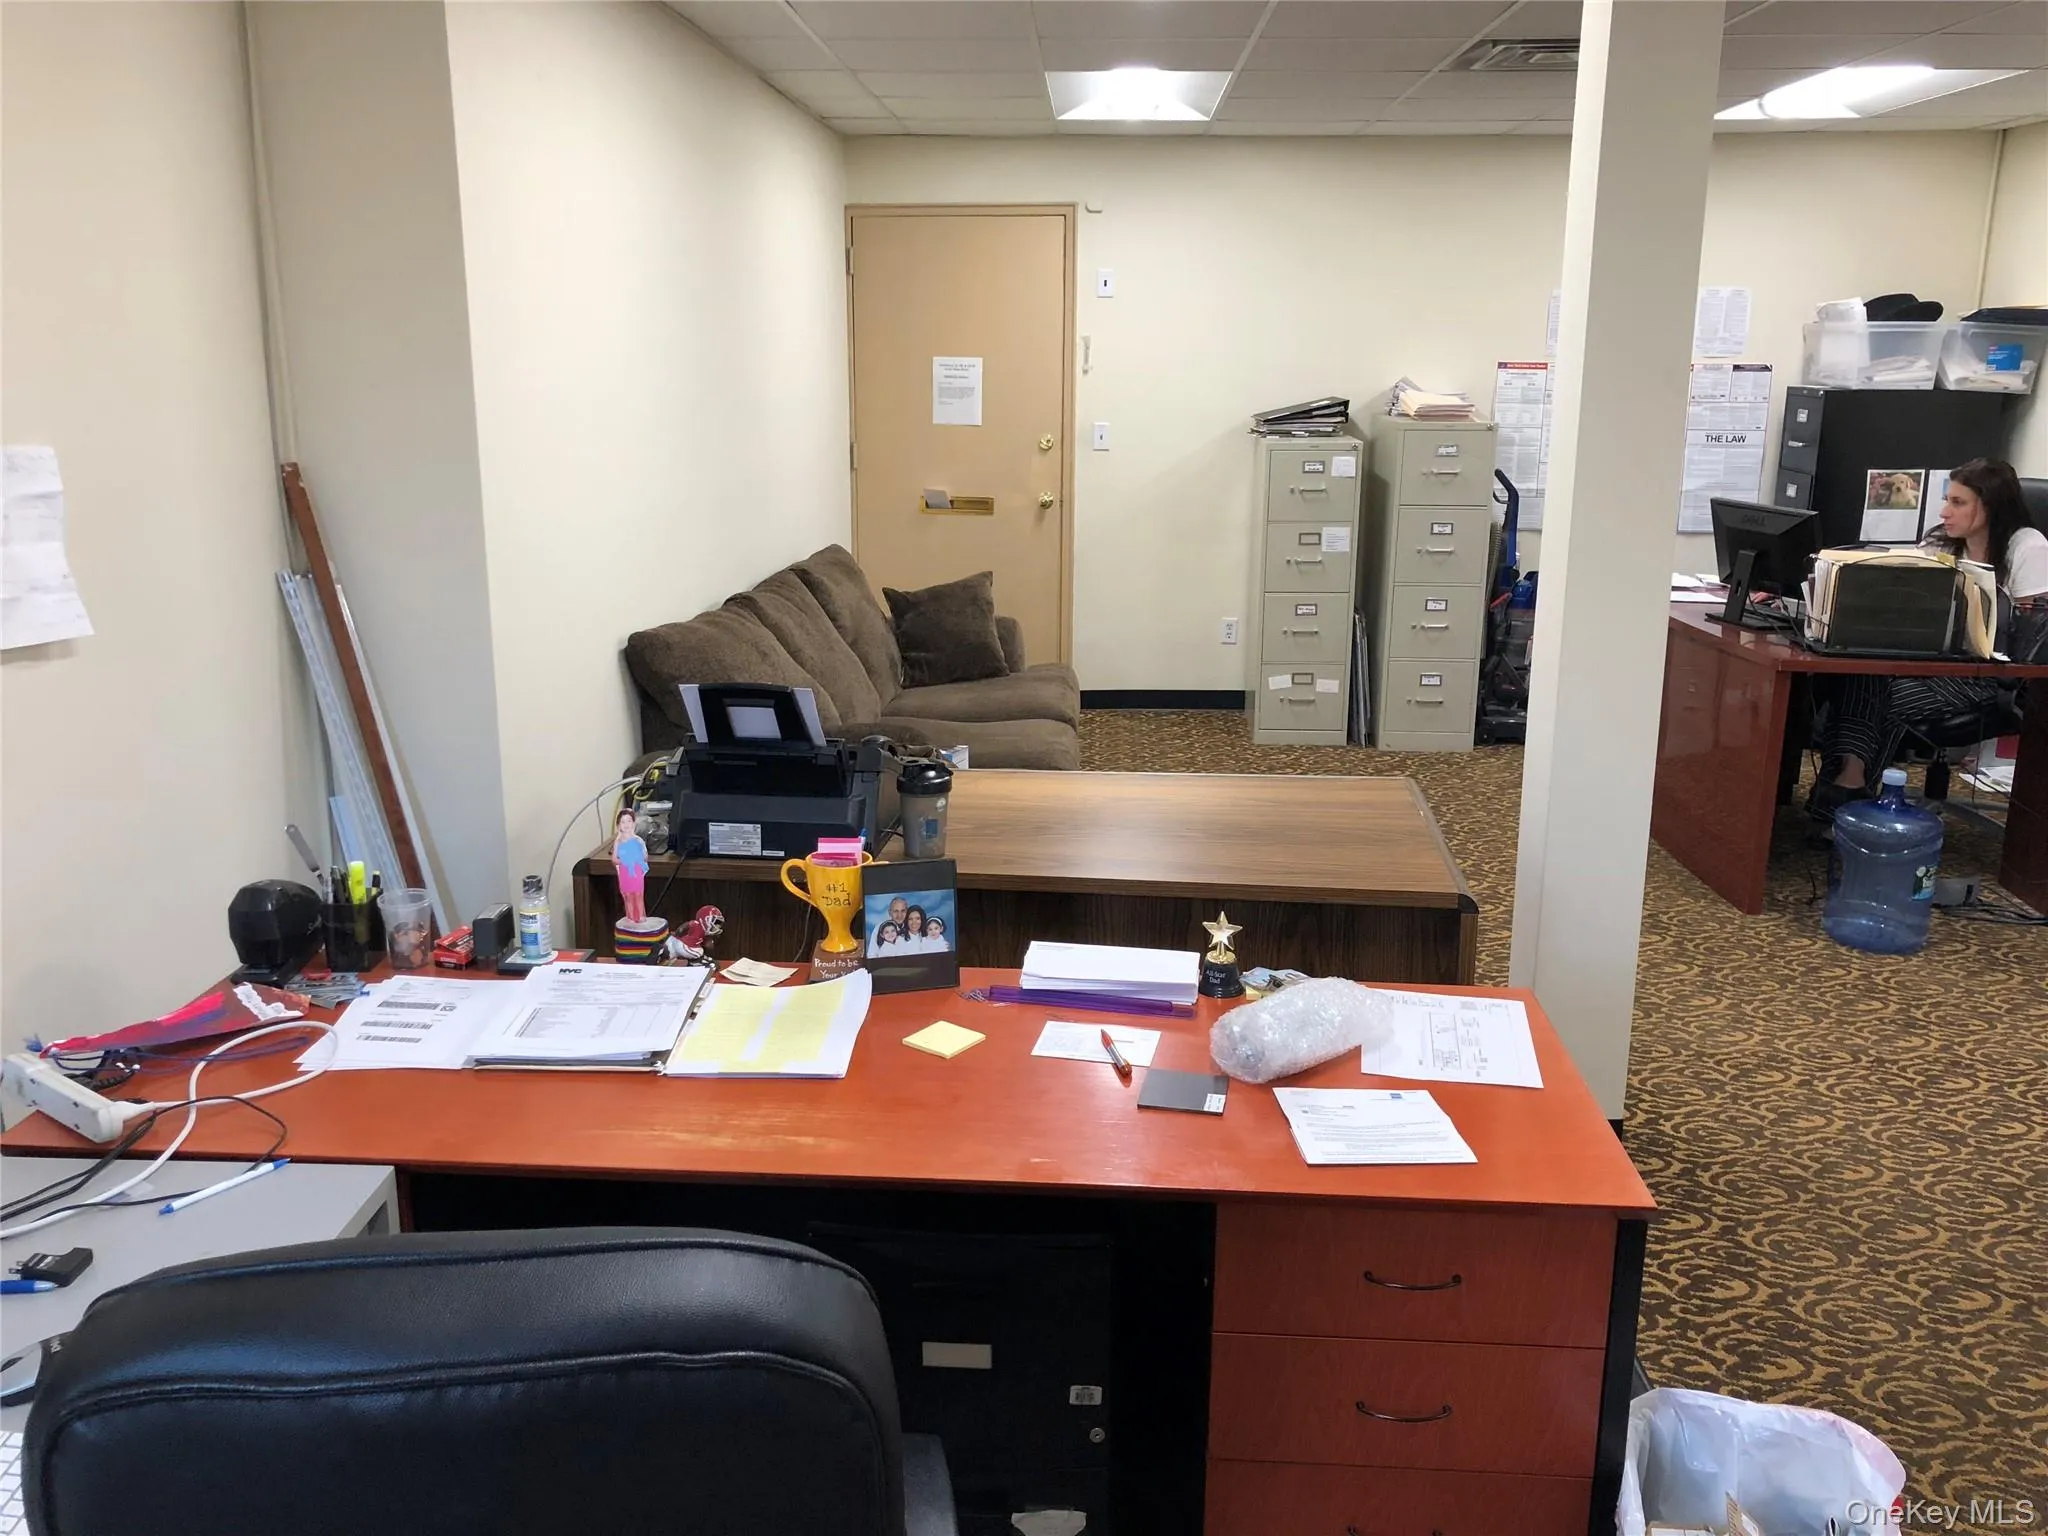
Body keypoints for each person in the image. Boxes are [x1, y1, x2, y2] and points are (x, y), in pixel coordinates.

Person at [1810, 458, 2048, 818]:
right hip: (1926, 662)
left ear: (1992, 505)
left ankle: (1840, 803)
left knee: (1876, 701)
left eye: (1957, 502)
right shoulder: (1942, 540)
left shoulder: (2028, 548)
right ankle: (1851, 792)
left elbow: (2034, 635)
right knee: (1856, 677)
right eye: (1946, 500)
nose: (1944, 511)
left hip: (1985, 677)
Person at [612, 808, 650, 924]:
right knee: (628, 896)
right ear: (619, 825)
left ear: (633, 823)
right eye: (623, 822)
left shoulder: (638, 841)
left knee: (638, 895)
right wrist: (625, 861)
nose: (626, 824)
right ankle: (631, 918)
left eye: (629, 821)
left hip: (636, 871)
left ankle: (640, 917)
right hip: (624, 872)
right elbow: (614, 859)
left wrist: (635, 860)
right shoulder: (618, 842)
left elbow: (644, 857)